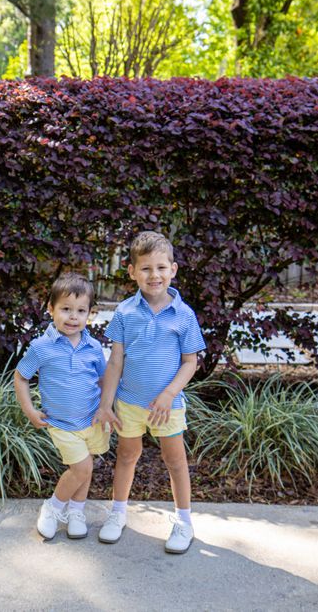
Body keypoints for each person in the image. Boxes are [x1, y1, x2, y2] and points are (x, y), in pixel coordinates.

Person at [94, 231, 206, 554]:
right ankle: (117, 513)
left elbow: (190, 362)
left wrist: (169, 394)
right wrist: (106, 404)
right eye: (145, 268)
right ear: (132, 272)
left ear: (173, 269)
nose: (153, 275)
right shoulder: (125, 313)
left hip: (167, 406)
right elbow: (115, 362)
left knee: (175, 460)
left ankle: (184, 520)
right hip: (129, 403)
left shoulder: (183, 316)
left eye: (160, 267)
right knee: (127, 456)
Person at [14, 272, 109, 541]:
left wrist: (105, 408)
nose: (73, 317)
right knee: (80, 468)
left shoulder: (93, 347)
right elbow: (21, 377)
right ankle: (54, 507)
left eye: (81, 311)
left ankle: (76, 512)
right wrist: (30, 411)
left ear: (90, 314)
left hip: (91, 420)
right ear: (51, 309)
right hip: (61, 423)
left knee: (87, 466)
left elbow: (103, 380)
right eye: (65, 309)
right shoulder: (42, 347)